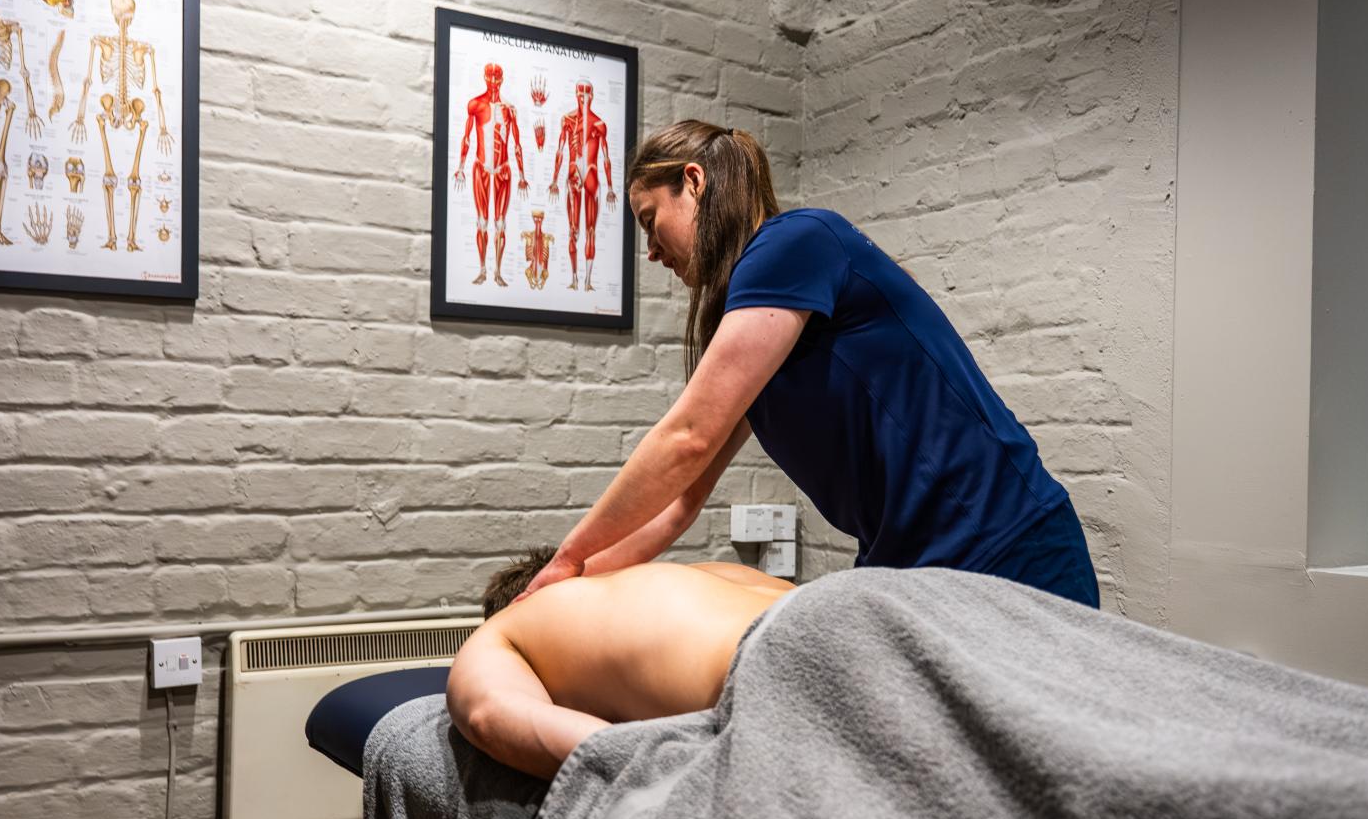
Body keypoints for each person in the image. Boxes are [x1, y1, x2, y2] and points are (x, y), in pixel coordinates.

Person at [518, 120, 1098, 608]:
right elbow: (678, 504)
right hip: (910, 570)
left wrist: (569, 555)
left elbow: (688, 437)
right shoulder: (755, 310)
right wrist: (567, 583)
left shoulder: (794, 242)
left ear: (693, 182)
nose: (650, 251)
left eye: (650, 221)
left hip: (1003, 543)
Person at [446, 547, 794, 780]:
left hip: (766, 664)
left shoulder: (504, 626)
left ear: (519, 599)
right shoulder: (704, 572)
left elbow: (486, 717)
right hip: (818, 605)